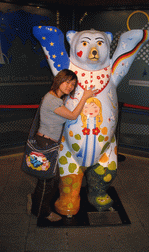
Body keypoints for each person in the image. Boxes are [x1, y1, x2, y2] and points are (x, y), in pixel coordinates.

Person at [27, 69, 98, 226]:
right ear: (59, 80)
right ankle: (41, 212)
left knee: (46, 178)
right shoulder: (52, 100)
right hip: (46, 144)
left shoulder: (56, 98)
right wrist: (85, 97)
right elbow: (72, 115)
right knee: (49, 181)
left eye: (73, 84)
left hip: (48, 143)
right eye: (67, 82)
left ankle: (34, 199)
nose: (70, 86)